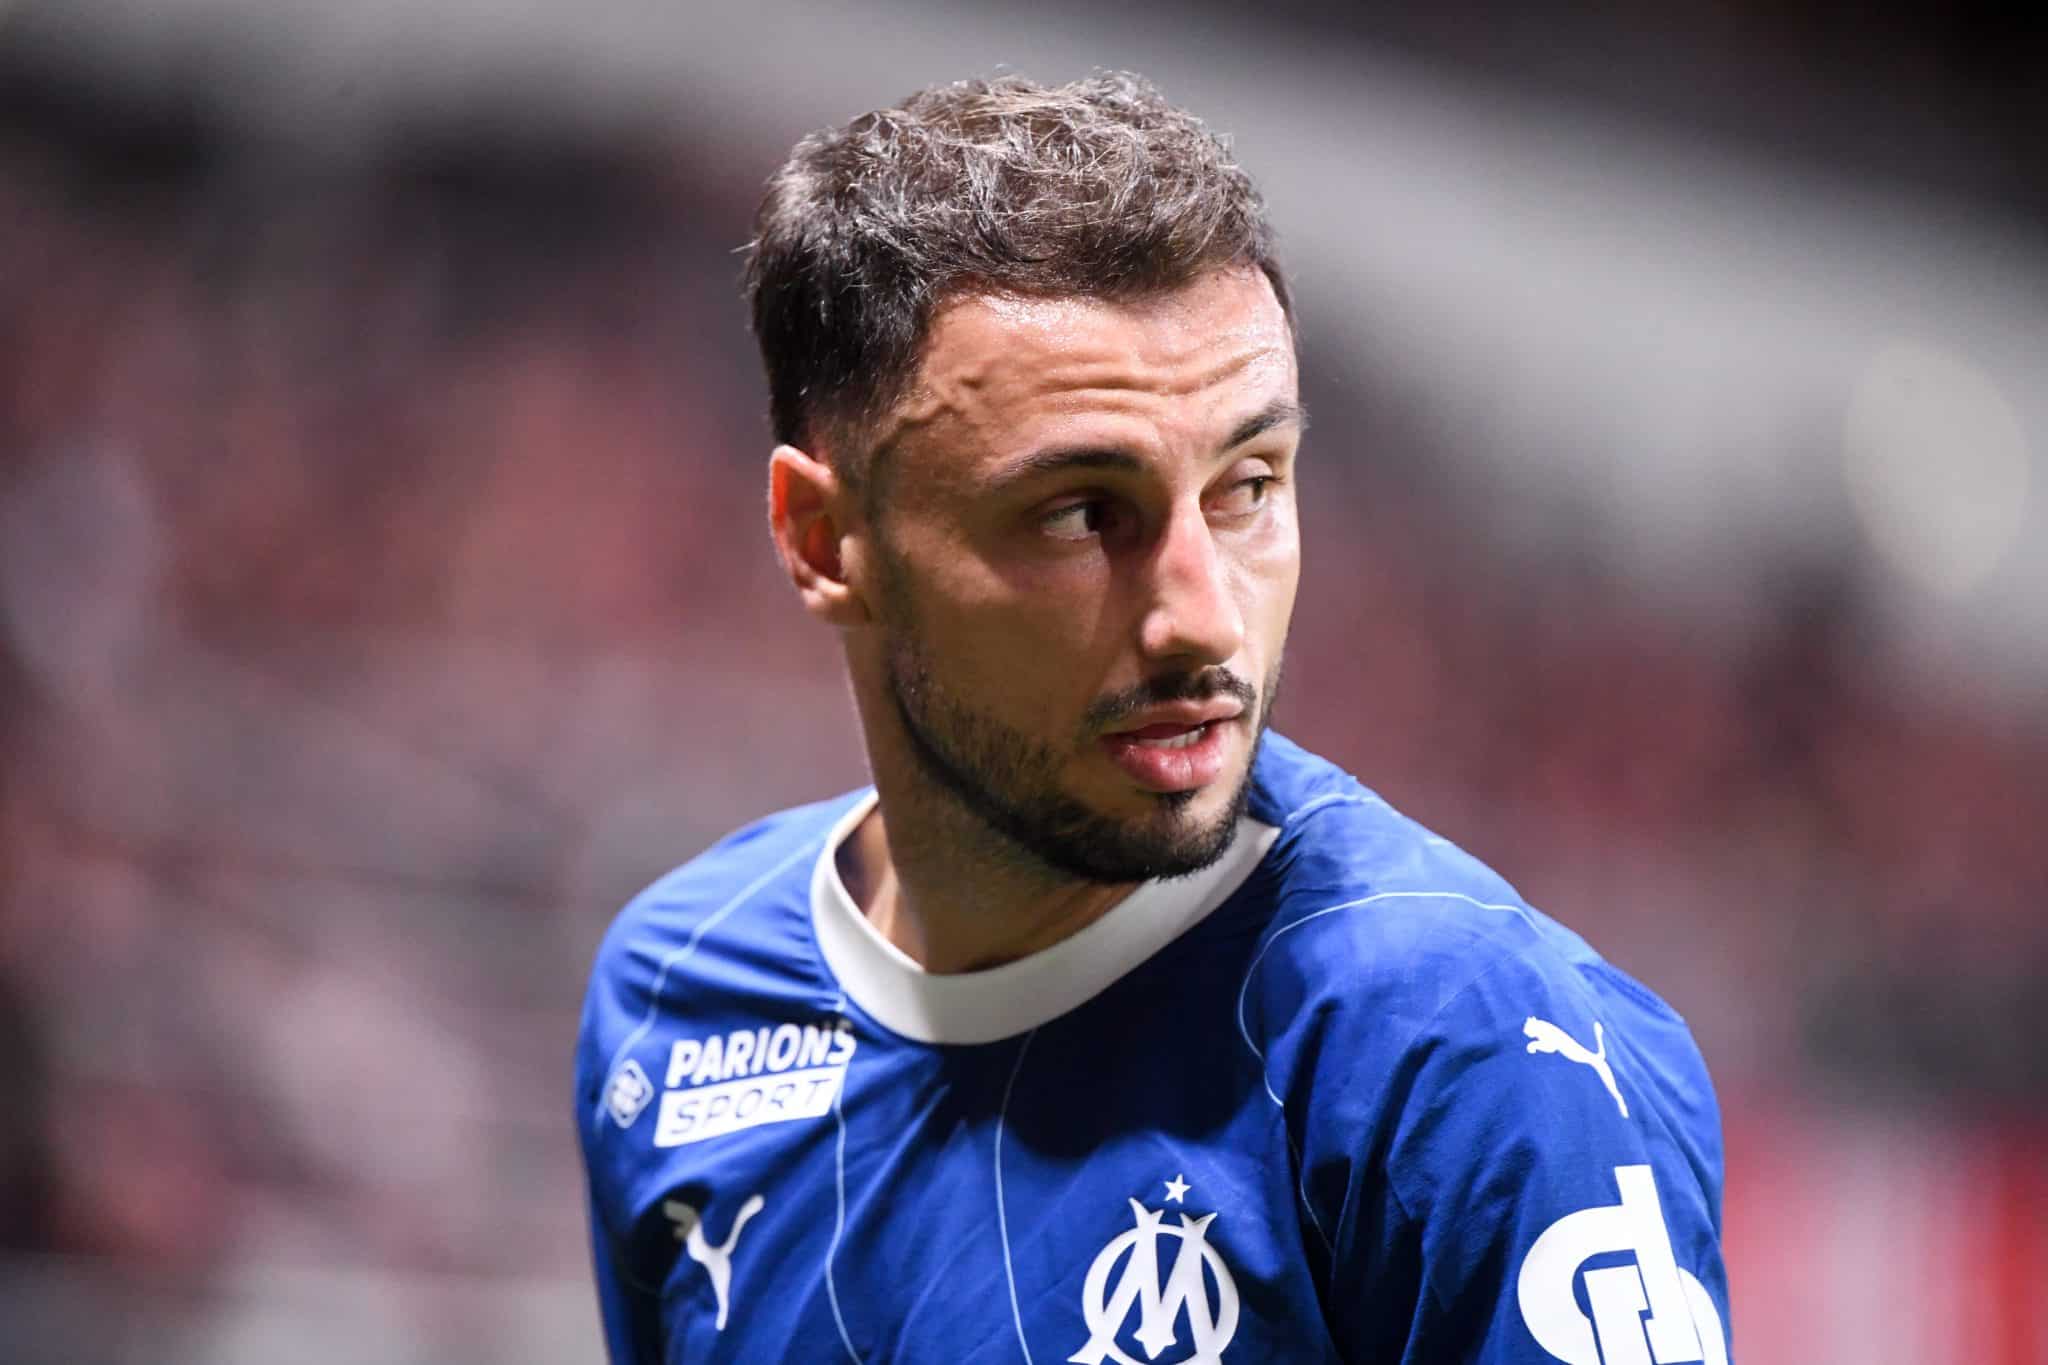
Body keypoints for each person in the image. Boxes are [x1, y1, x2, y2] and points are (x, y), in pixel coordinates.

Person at [576, 72, 1730, 1364]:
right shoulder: (679, 1000)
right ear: (824, 540)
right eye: (1083, 513)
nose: (1203, 616)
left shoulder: (1468, 1060)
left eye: (1249, 486)